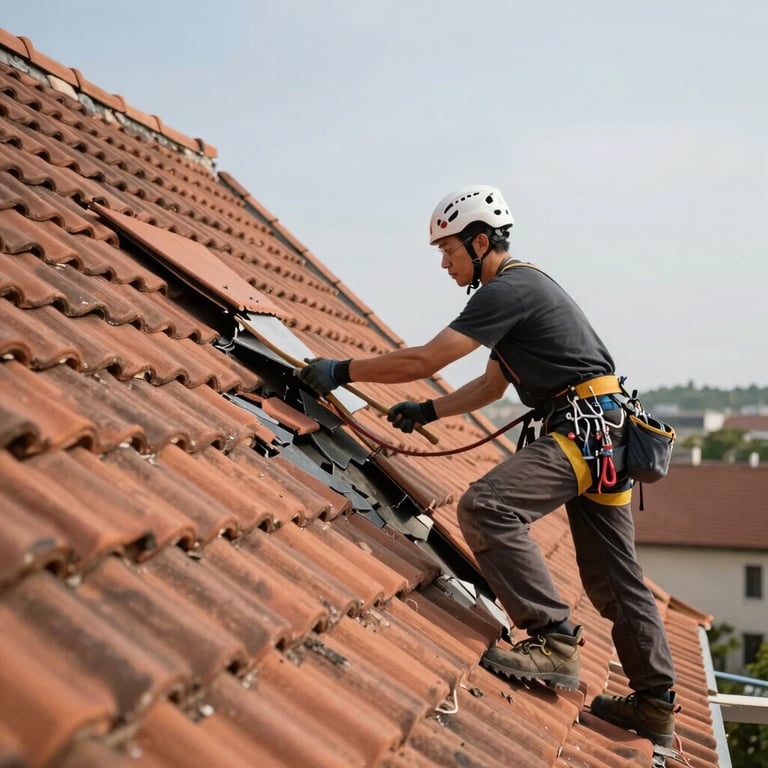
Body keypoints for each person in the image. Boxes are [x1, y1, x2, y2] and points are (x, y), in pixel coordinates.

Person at [297, 184, 679, 747]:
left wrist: (342, 370)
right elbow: (491, 383)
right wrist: (428, 409)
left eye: (448, 251)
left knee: (487, 506)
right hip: (610, 436)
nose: (445, 263)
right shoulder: (524, 289)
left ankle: (553, 640)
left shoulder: (507, 289)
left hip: (585, 430)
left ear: (480, 242)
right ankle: (654, 704)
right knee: (616, 580)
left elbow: (426, 358)